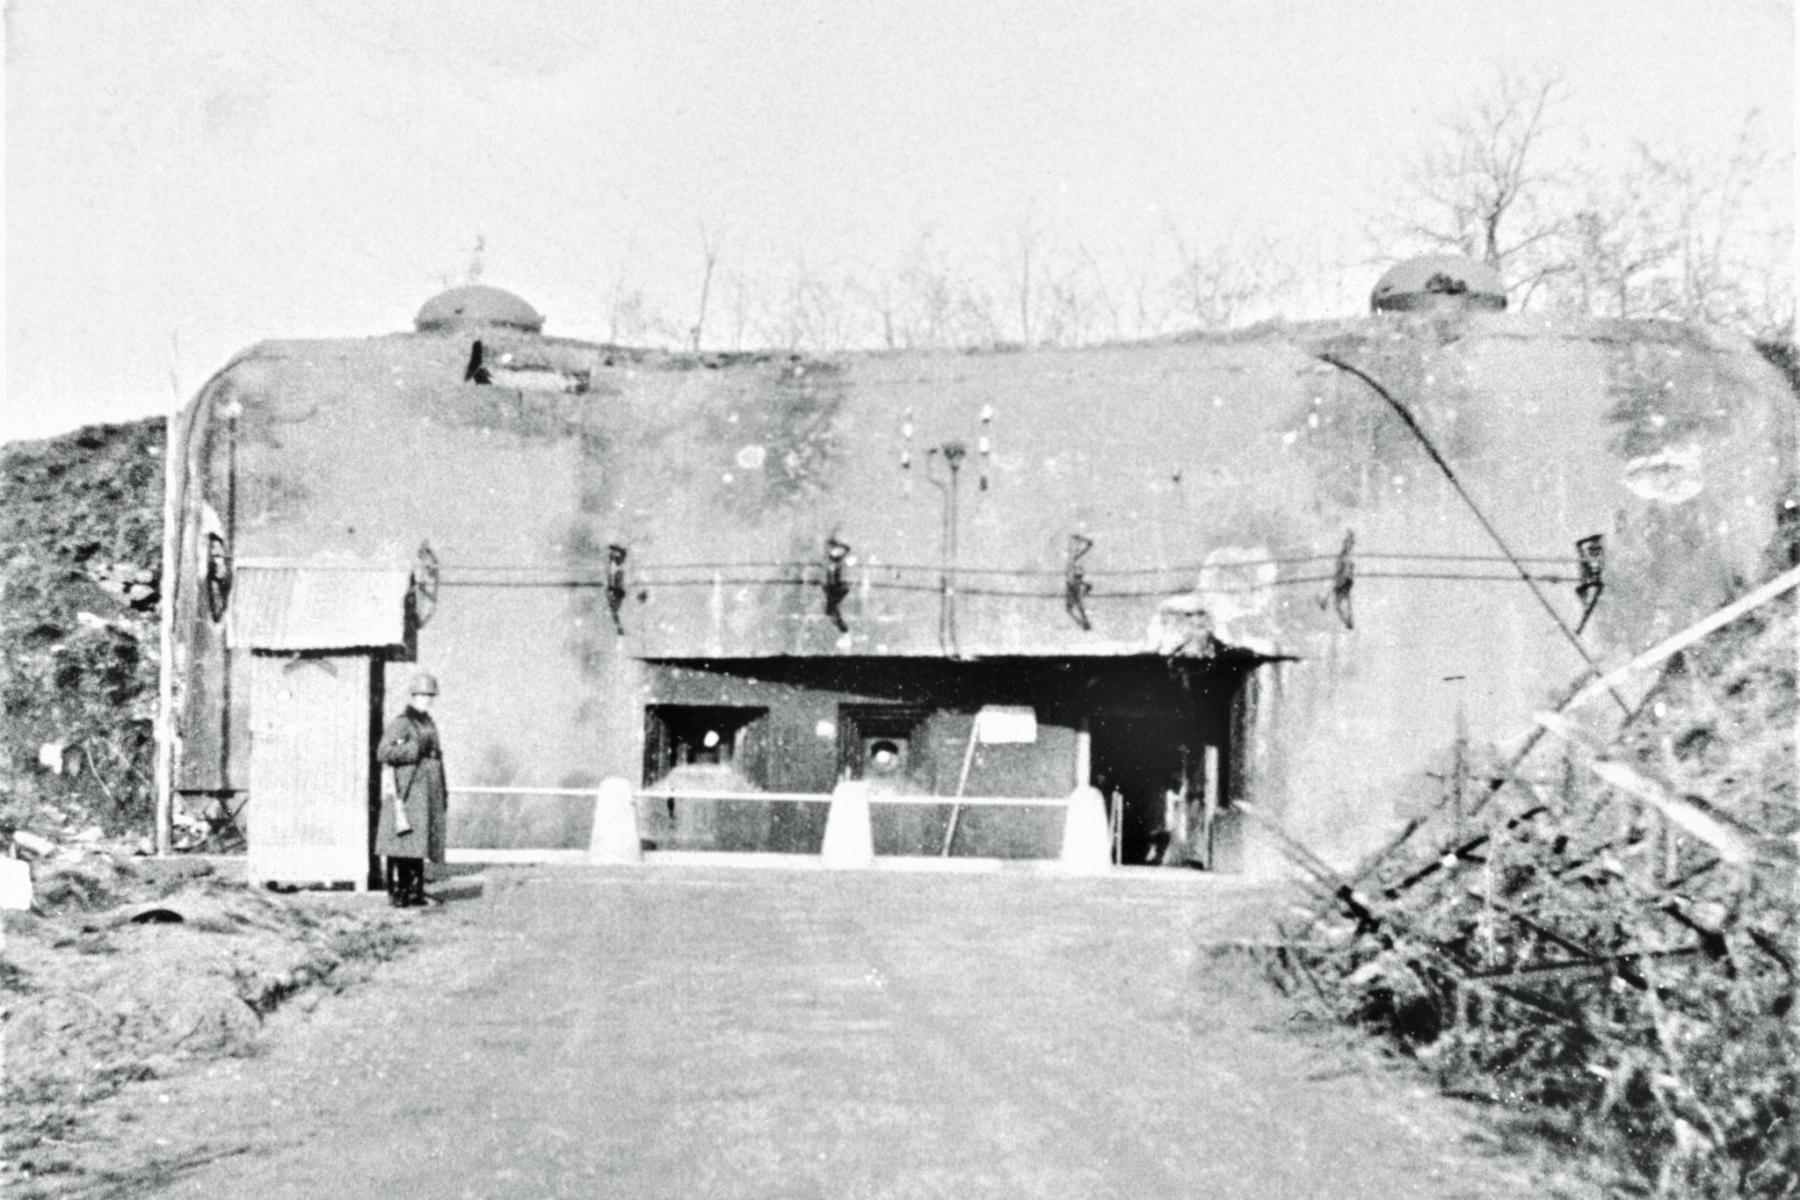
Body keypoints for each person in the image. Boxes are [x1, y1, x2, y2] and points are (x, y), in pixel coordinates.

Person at [375, 671, 448, 908]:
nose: (425, 700)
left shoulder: (428, 723)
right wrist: (413, 750)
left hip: (426, 790)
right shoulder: (402, 722)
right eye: (421, 695)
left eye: (429, 695)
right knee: (401, 842)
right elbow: (383, 752)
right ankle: (399, 892)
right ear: (413, 696)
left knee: (418, 842)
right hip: (408, 789)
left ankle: (415, 892)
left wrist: (442, 789)